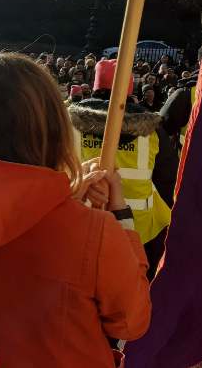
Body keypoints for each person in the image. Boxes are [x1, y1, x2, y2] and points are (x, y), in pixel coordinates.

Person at [0, 54, 151, 366]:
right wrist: (121, 217)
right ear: (53, 126)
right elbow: (132, 320)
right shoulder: (95, 230)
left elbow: (10, 233)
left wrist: (65, 200)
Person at [68, 59, 177, 279]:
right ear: (130, 87)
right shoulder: (152, 130)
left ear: (95, 84)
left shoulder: (66, 122)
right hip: (139, 231)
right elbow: (168, 179)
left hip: (78, 223)